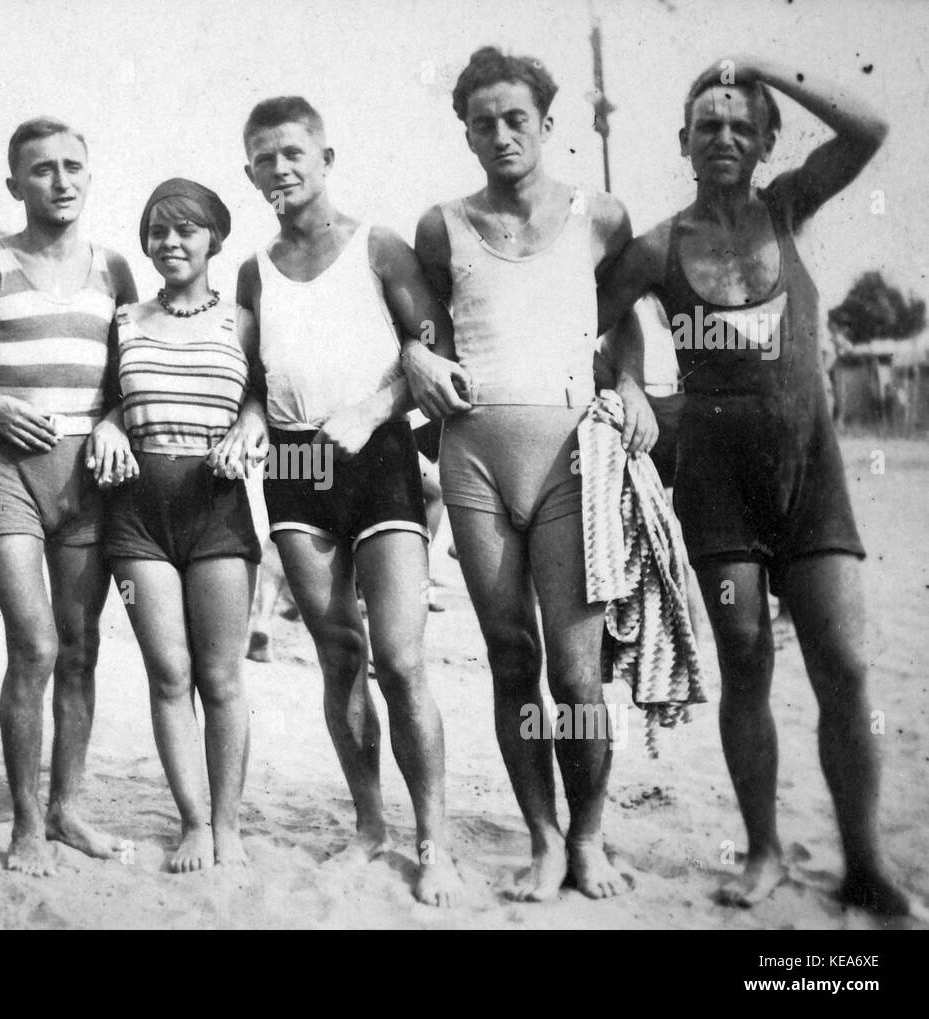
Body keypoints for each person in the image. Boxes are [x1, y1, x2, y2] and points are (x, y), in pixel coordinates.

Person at [596, 56, 921, 917]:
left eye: (745, 124)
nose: (727, 137)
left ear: (771, 140)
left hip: (814, 481)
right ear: (685, 143)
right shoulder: (658, 247)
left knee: (845, 666)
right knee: (745, 662)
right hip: (718, 491)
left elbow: (869, 131)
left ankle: (866, 863)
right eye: (710, 124)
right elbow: (592, 323)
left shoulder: (789, 208)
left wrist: (764, 65)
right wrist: (627, 380)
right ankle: (766, 851)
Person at [403, 47, 656, 901]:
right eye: (485, 122)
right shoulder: (441, 225)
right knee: (511, 656)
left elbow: (622, 319)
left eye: (518, 119)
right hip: (472, 457)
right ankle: (542, 837)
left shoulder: (600, 216)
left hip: (568, 459)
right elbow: (426, 333)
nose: (503, 134)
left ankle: (589, 835)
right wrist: (414, 356)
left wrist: (628, 385)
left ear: (548, 124)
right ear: (465, 132)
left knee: (577, 673)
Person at [237, 96, 463, 906]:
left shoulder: (380, 247)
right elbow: (253, 384)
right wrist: (255, 422)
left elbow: (442, 359)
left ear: (327, 157)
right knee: (340, 656)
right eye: (265, 158)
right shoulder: (251, 269)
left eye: (294, 152)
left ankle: (433, 839)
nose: (281, 168)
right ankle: (370, 825)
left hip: (380, 457)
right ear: (250, 172)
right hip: (297, 466)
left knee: (401, 659)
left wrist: (372, 411)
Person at [0, 118, 137, 876]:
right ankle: (26, 821)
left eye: (73, 166)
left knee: (80, 648)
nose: (60, 181)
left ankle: (68, 808)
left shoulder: (114, 268)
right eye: (42, 169)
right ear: (14, 184)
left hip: (87, 478)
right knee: (35, 642)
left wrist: (117, 422)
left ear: (90, 175)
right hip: (5, 472)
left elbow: (132, 376)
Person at [95, 178, 262, 871]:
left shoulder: (245, 321)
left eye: (186, 230)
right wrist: (107, 428)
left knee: (221, 676)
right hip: (137, 513)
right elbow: (107, 400)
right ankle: (193, 821)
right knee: (169, 672)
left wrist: (250, 425)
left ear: (214, 239)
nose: (170, 243)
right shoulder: (126, 318)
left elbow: (263, 399)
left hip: (218, 507)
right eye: (158, 231)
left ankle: (228, 821)